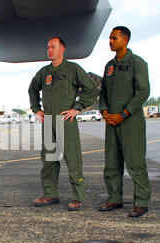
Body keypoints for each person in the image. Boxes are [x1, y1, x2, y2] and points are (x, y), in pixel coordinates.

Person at [28, 37, 99, 210]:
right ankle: (50, 194)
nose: (49, 50)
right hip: (48, 122)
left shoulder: (72, 69)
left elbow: (92, 89)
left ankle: (78, 196)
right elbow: (32, 90)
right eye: (48, 47)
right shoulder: (44, 73)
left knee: (73, 160)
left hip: (66, 122)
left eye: (53, 47)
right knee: (49, 160)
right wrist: (37, 109)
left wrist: (78, 108)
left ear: (62, 49)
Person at [99, 26, 151, 218]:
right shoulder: (109, 66)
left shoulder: (137, 63)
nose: (110, 41)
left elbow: (143, 91)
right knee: (112, 162)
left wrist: (125, 112)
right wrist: (104, 111)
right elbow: (103, 92)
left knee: (135, 162)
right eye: (110, 38)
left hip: (130, 122)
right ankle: (114, 198)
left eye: (114, 38)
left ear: (125, 40)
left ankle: (141, 202)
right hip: (111, 122)